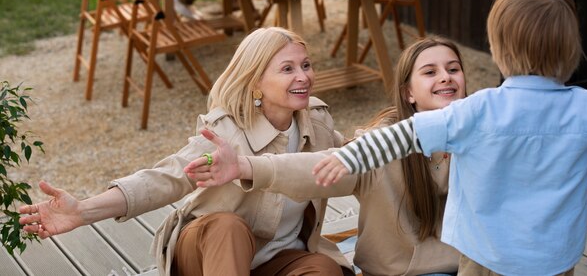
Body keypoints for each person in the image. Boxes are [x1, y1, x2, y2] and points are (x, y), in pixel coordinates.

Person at [313, 0, 587, 276]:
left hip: (486, 257)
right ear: (572, 49)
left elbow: (402, 135)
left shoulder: (478, 109)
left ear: (497, 49)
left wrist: (350, 157)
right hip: (556, 258)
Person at [19, 27, 351, 276]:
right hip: (207, 254)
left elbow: (353, 156)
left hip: (276, 260)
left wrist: (395, 135)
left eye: (306, 65)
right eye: (288, 69)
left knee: (323, 268)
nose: (304, 77)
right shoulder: (226, 131)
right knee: (228, 227)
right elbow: (166, 177)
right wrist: (83, 211)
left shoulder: (317, 122)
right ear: (255, 83)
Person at [185, 36, 465, 276]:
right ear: (408, 93)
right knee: (228, 226)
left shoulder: (482, 132)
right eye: (430, 72)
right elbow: (322, 166)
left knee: (324, 268)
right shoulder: (380, 145)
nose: (445, 76)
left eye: (453, 69)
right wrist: (247, 167)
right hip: (215, 251)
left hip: (471, 266)